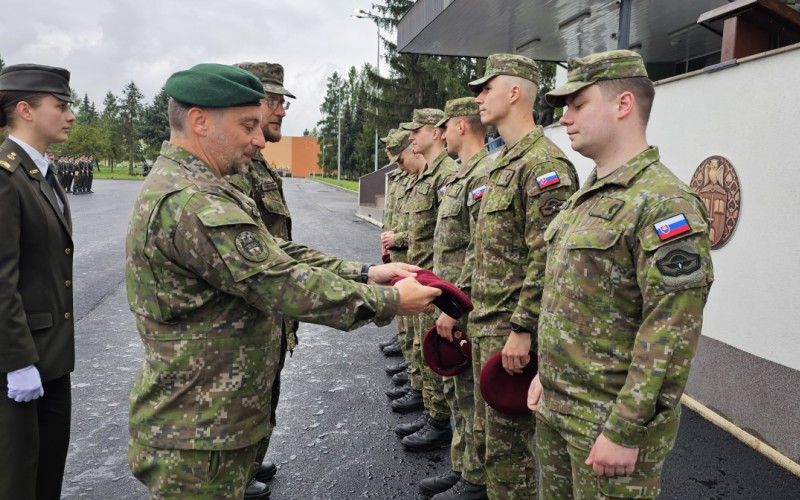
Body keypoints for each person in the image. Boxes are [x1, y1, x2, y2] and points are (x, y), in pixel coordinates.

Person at [126, 63, 441, 499]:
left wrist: (365, 272)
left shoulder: (205, 186)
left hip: (210, 419)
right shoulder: (193, 200)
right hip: (198, 432)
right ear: (199, 121)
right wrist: (388, 300)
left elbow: (271, 251)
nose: (259, 139)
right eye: (247, 125)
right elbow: (278, 281)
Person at [527, 49, 714, 500]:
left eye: (578, 104)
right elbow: (568, 299)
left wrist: (626, 428)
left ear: (623, 104)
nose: (565, 118)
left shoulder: (665, 203)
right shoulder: (588, 194)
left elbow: (670, 329)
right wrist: (545, 374)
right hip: (557, 407)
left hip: (605, 424)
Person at [465, 53, 579, 500]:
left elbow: (547, 257)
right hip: (486, 323)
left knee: (509, 452)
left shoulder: (544, 166)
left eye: (486, 88)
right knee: (490, 442)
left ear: (514, 93)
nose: (479, 98)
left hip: (510, 334)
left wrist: (523, 328)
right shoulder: (502, 163)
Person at [0, 63, 76, 500]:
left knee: (46, 479)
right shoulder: (6, 177)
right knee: (17, 482)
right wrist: (16, 362)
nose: (70, 115)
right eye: (60, 106)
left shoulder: (39, 172)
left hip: (50, 359)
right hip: (18, 363)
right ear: (26, 110)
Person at [228, 61, 297, 496]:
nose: (281, 111)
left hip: (271, 304)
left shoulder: (260, 164)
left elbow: (277, 243)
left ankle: (250, 462)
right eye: (272, 101)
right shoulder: (232, 167)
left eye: (281, 102)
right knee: (241, 401)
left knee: (264, 394)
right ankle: (238, 471)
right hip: (251, 307)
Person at [418, 97, 491, 499]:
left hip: (463, 305)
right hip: (450, 300)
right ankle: (462, 466)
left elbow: (479, 250)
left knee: (470, 398)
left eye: (445, 127)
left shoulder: (483, 175)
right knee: (458, 393)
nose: (442, 134)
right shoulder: (463, 175)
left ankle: (474, 479)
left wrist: (455, 305)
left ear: (461, 125)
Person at [392, 108, 459, 452]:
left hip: (437, 282)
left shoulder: (447, 175)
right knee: (423, 347)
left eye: (417, 131)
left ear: (436, 133)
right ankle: (432, 411)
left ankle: (438, 419)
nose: (411, 137)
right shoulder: (430, 175)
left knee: (436, 353)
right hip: (422, 277)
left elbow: (452, 236)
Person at [381, 129, 431, 416]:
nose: (398, 165)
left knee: (424, 338)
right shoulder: (412, 178)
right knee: (412, 332)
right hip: (407, 263)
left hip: (424, 269)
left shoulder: (440, 178)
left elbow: (432, 232)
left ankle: (428, 400)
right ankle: (416, 380)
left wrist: (398, 239)